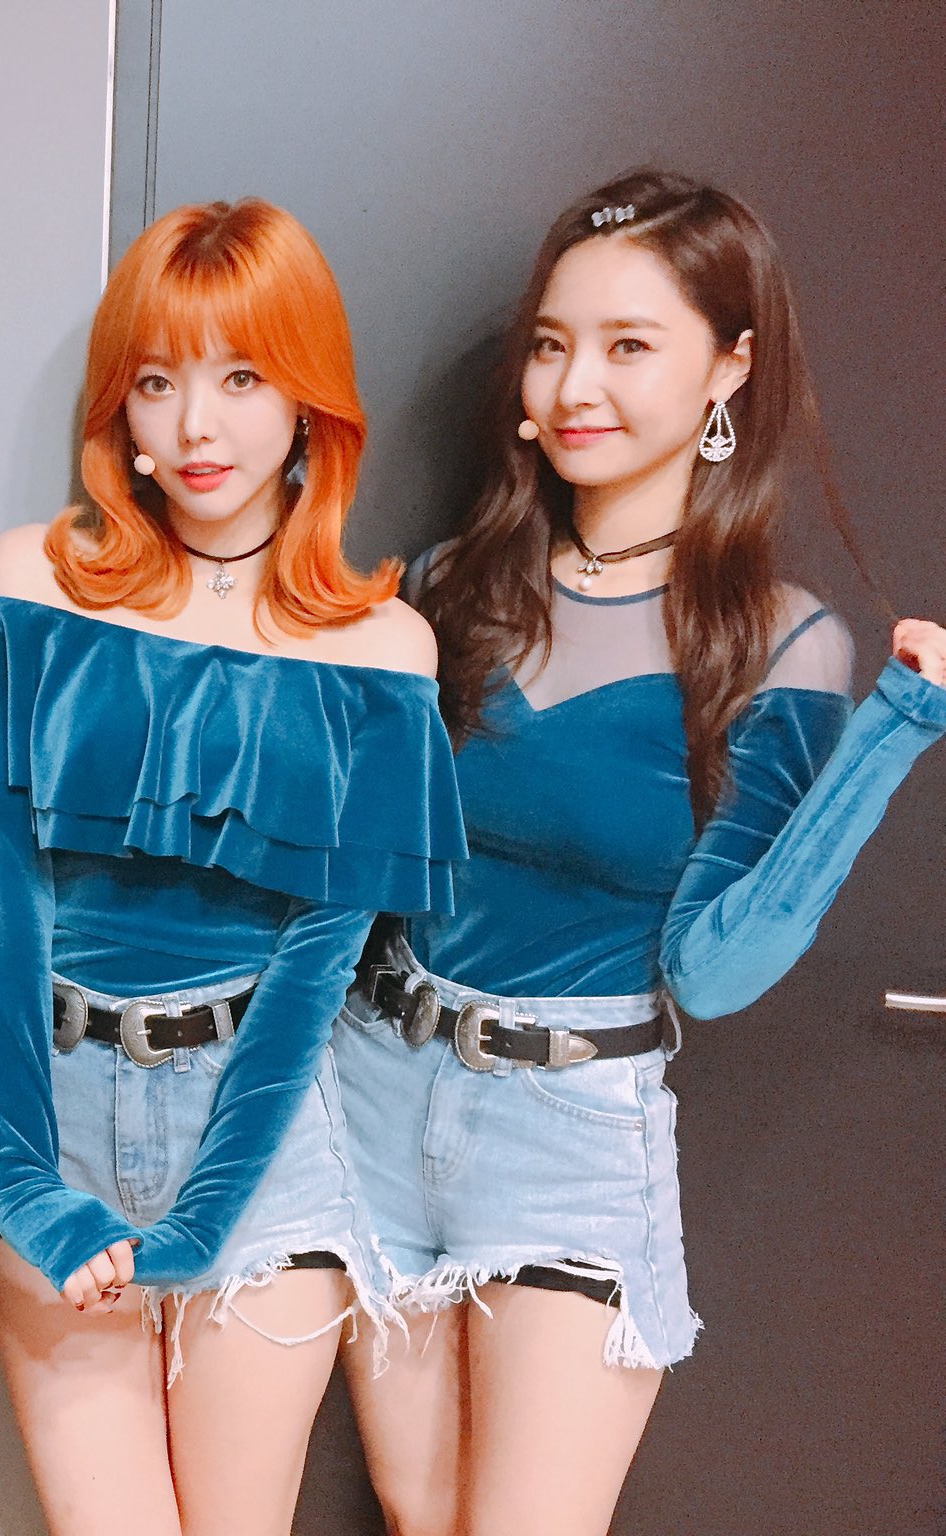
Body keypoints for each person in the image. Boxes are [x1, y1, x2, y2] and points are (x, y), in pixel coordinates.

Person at [333, 169, 946, 1536]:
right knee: (415, 1515)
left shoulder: (778, 640)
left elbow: (716, 972)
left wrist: (899, 729)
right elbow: (364, 874)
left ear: (729, 367)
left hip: (567, 1130)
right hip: (374, 1087)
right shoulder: (442, 585)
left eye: (628, 345)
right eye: (552, 344)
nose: (575, 387)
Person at [0, 198, 466, 1536]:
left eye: (242, 378)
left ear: (306, 404)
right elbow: (6, 899)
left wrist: (199, 1223)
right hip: (49, 1115)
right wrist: (28, 1185)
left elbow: (317, 970)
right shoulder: (34, 583)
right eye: (158, 381)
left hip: (265, 1135)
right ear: (117, 408)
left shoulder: (383, 651)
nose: (196, 426)